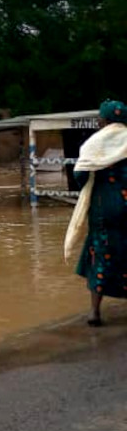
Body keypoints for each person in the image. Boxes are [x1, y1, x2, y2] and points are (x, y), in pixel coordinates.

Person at [65, 100, 127, 326]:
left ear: (104, 120)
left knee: (101, 253)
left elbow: (80, 176)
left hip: (104, 208)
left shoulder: (95, 143)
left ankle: (94, 312)